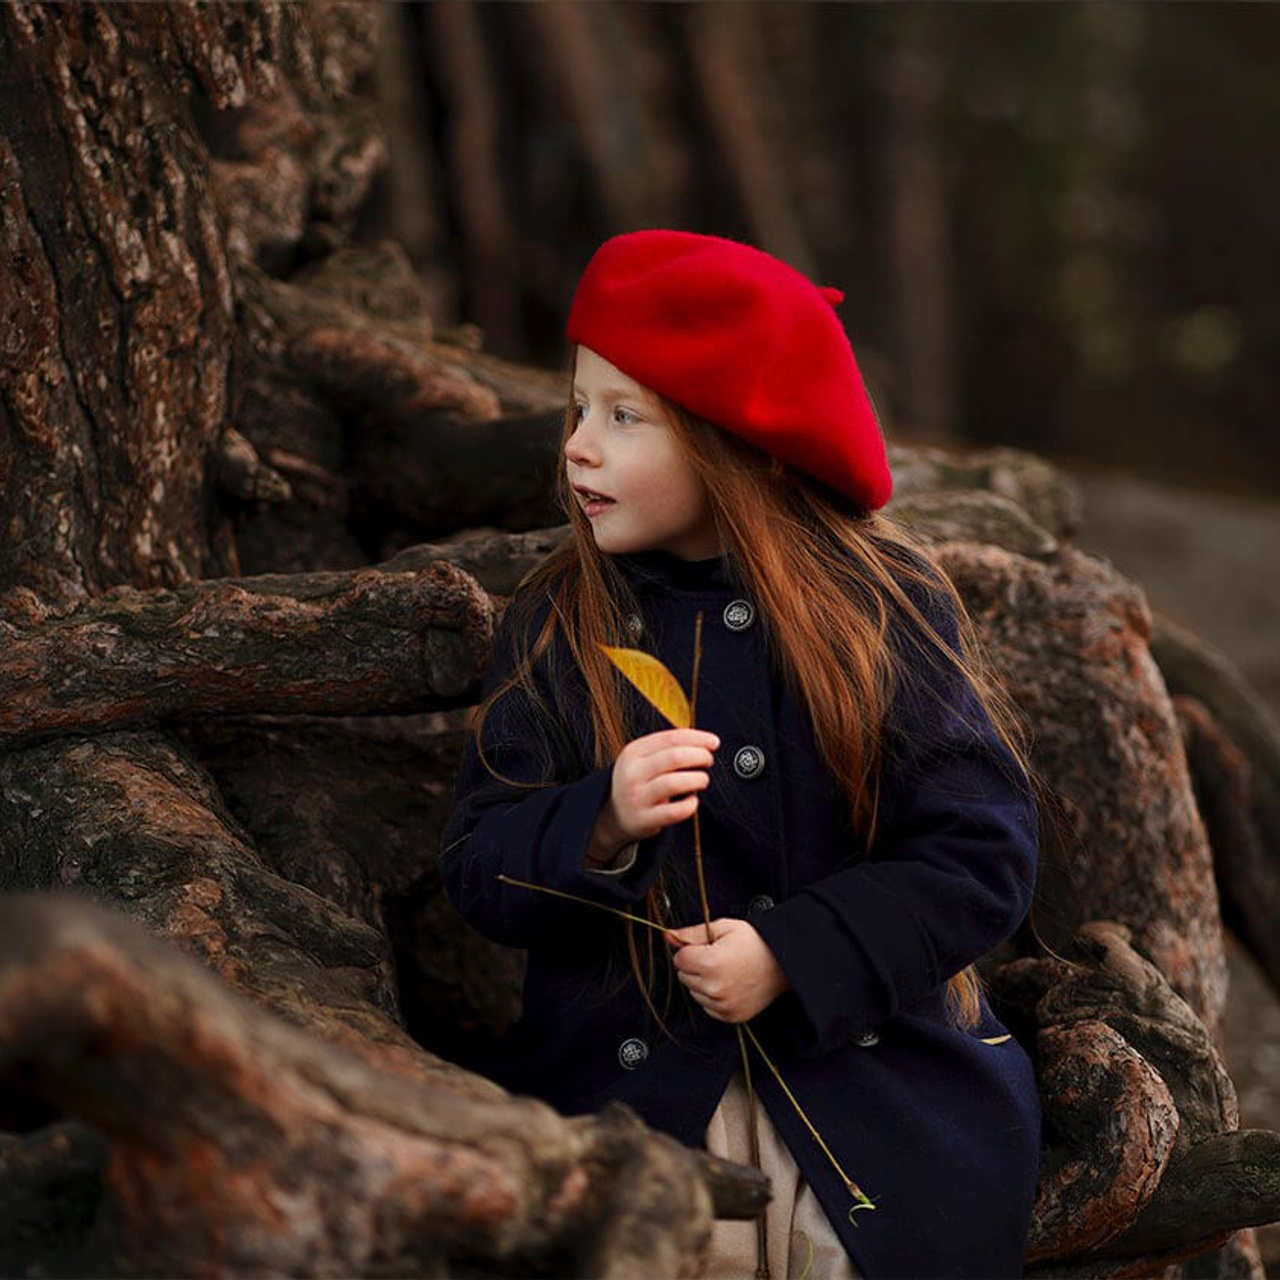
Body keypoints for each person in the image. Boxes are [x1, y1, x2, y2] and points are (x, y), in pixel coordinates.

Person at [442, 230, 1040, 1279]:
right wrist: (595, 820)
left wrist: (791, 954)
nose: (579, 445)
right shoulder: (559, 619)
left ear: (738, 440)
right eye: (577, 407)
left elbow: (976, 858)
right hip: (630, 1095)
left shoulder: (878, 609)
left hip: (872, 1094)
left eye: (625, 417)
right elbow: (475, 866)